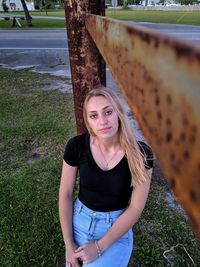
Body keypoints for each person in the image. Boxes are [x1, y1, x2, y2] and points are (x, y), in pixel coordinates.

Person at [59, 86, 154, 267]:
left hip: (115, 230)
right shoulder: (76, 146)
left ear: (118, 112)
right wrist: (68, 245)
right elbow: (65, 194)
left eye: (108, 112)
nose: (102, 121)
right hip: (79, 221)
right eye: (94, 115)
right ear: (88, 121)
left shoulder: (142, 153)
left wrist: (99, 247)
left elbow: (135, 208)